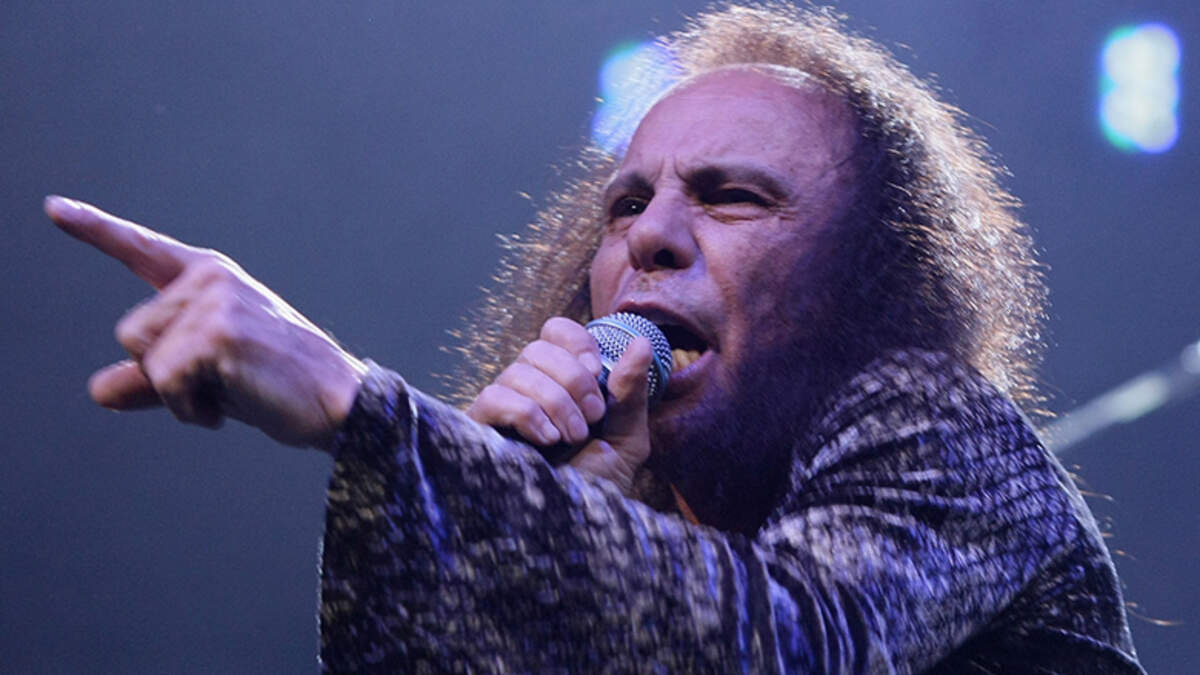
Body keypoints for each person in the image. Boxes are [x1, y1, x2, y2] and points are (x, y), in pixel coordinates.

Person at [47, 4, 1143, 673]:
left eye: (732, 196)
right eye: (625, 205)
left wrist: (357, 403)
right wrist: (508, 520)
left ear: (866, 276)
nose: (650, 235)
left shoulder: (937, 422)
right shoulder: (642, 524)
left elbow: (803, 642)